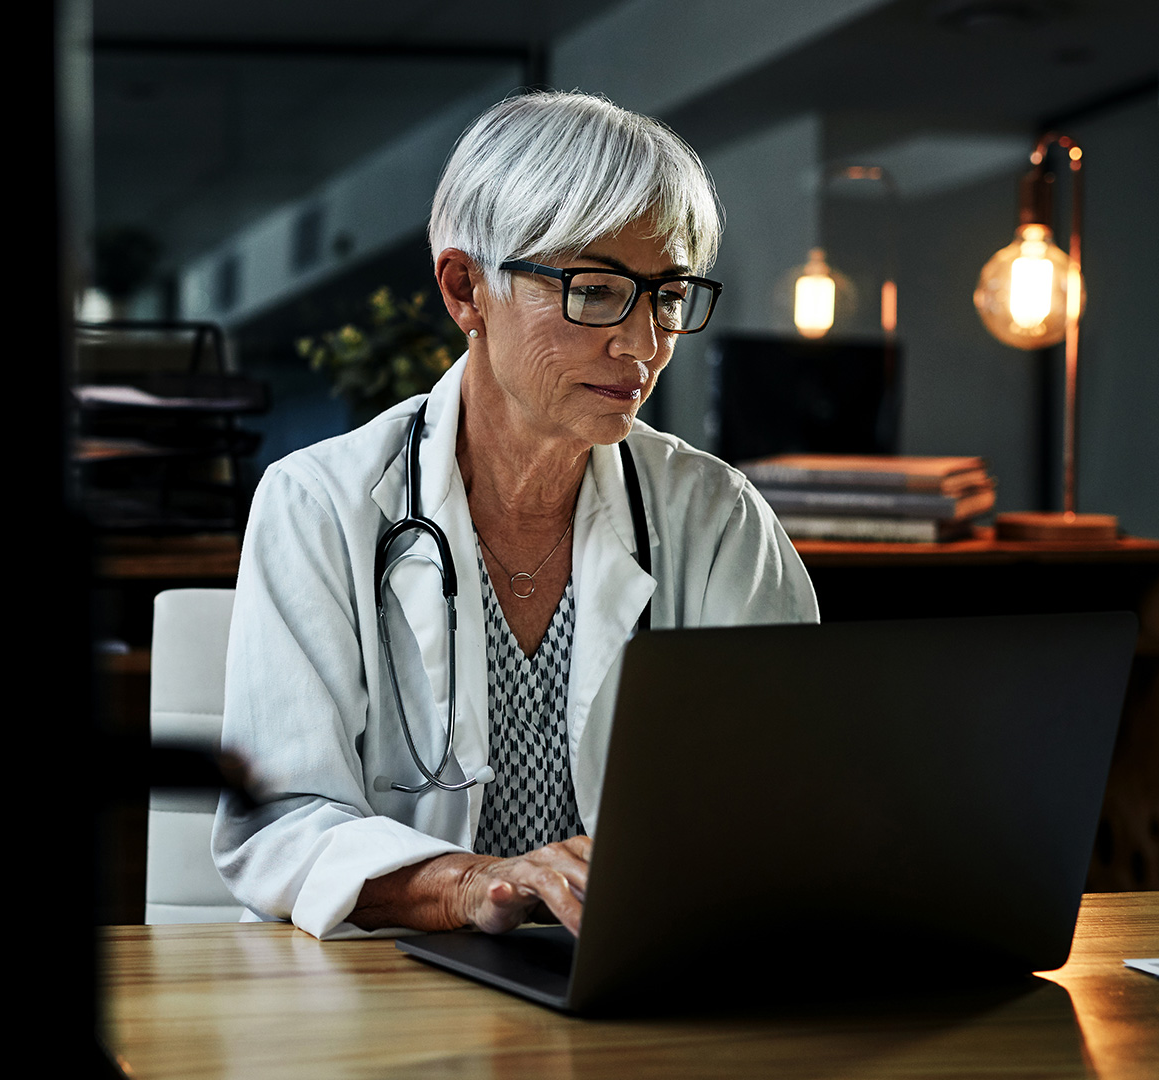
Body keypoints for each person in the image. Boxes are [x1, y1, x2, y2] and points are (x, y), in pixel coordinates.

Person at [212, 91, 819, 940]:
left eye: (668, 294)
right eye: (598, 291)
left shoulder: (716, 519)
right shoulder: (319, 503)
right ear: (467, 290)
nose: (643, 344)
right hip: (385, 994)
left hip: (634, 982)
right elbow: (275, 826)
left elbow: (783, 799)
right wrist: (474, 884)